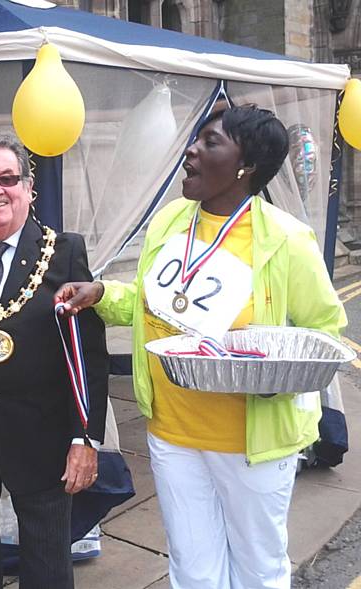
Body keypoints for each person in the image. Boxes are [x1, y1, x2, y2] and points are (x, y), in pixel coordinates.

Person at [55, 104, 347, 589]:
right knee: (192, 566)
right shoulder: (171, 220)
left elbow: (324, 330)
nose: (190, 149)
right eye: (197, 138)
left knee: (257, 567)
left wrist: (281, 380)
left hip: (251, 440)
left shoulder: (287, 240)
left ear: (245, 166)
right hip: (174, 433)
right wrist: (104, 292)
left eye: (210, 142)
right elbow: (156, 303)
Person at [0, 133, 109, 589]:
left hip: (43, 431)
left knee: (48, 561)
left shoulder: (64, 251)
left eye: (8, 178)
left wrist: (84, 437)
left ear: (29, 188)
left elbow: (87, 353)